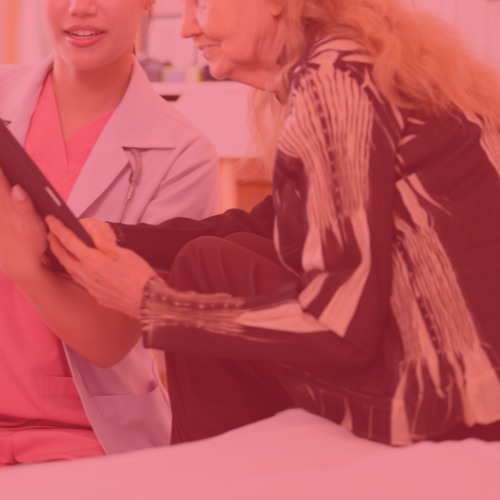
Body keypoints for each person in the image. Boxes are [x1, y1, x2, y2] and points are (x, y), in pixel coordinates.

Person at [4, 0, 500, 447]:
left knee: (209, 265)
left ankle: (205, 477)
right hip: (459, 379)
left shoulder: (336, 78)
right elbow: (268, 225)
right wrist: (119, 237)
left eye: (203, 3)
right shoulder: (353, 66)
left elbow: (340, 329)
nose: (189, 29)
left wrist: (153, 303)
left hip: (444, 401)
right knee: (233, 251)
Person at [0, 0, 219, 465]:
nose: (81, 8)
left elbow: (111, 342)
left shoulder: (183, 155)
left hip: (86, 437)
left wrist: (25, 267)